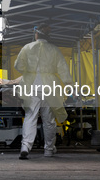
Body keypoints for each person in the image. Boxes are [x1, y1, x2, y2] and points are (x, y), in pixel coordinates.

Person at [14, 23, 73, 159]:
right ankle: (49, 149)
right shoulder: (54, 50)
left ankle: (25, 146)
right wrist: (69, 84)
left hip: (31, 86)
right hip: (50, 87)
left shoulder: (27, 48)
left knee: (30, 116)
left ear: (36, 34)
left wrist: (30, 70)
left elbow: (19, 66)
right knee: (49, 120)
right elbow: (63, 69)